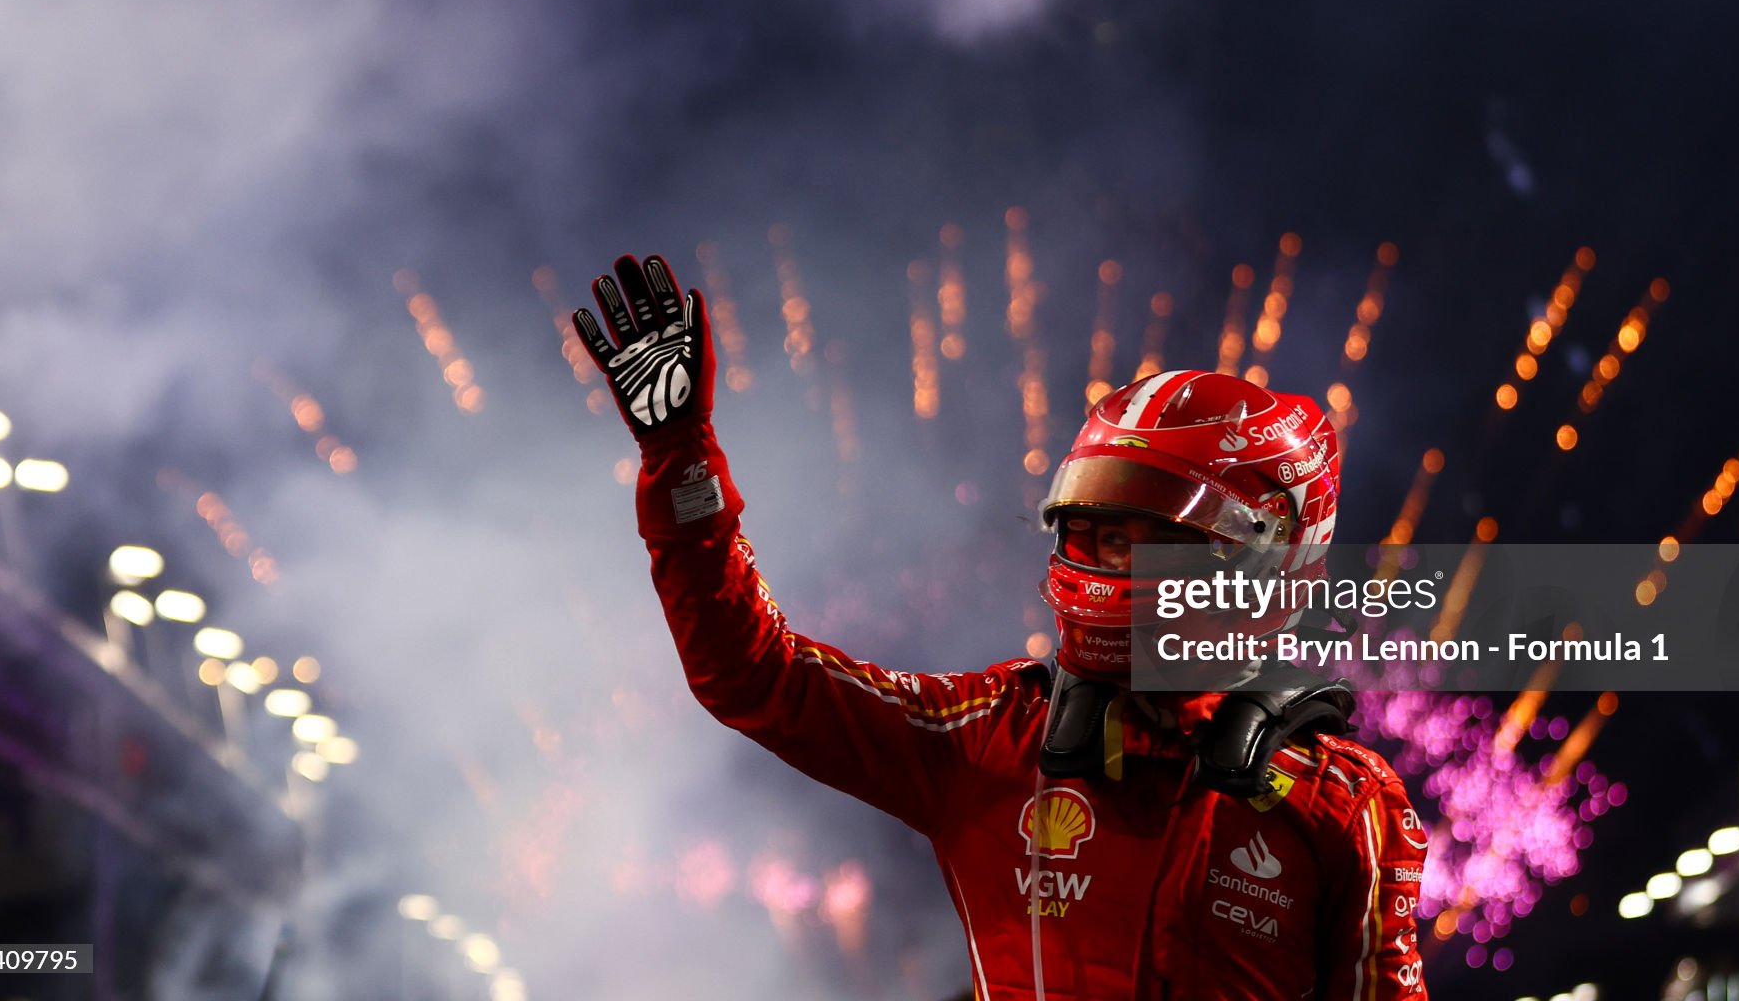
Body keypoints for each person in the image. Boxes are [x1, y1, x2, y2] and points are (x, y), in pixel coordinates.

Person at [574, 253, 1428, 1000]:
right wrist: (681, 462)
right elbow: (755, 675)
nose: (1109, 568)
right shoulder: (989, 737)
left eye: (1148, 542)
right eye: (1096, 535)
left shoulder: (1345, 804)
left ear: (1267, 559)